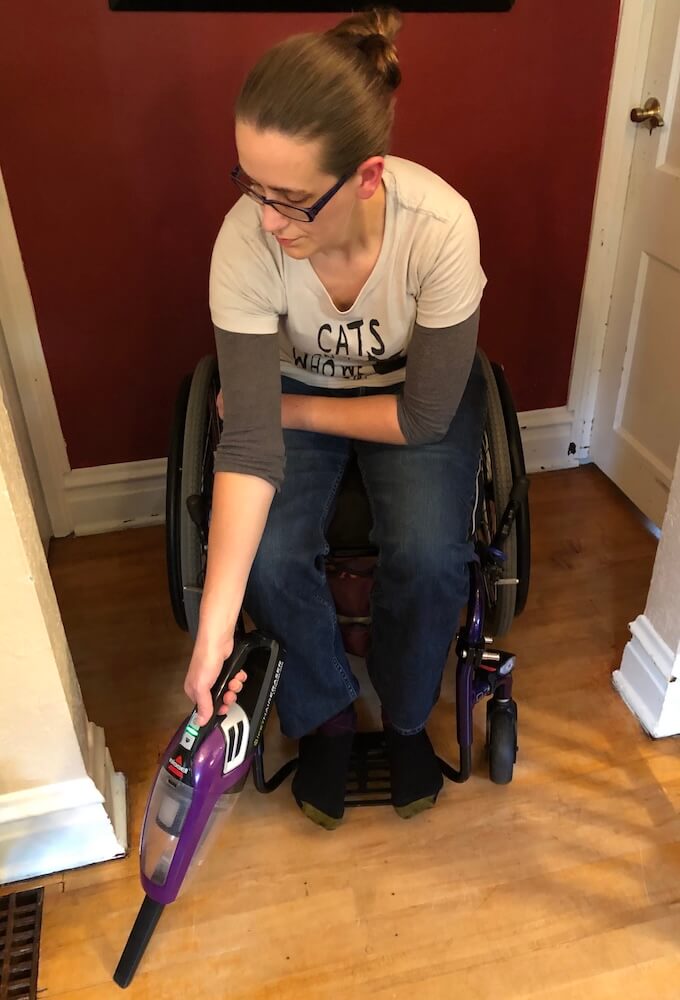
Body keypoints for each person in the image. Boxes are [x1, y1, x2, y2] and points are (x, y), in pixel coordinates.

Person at [183, 6, 487, 830]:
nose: (266, 220)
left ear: (367, 176)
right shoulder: (244, 243)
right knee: (271, 554)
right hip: (292, 404)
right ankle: (321, 715)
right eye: (249, 185)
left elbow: (425, 416)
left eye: (290, 199)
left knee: (430, 555)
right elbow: (246, 446)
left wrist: (283, 407)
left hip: (401, 403)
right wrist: (212, 636)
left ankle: (403, 717)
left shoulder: (442, 231)